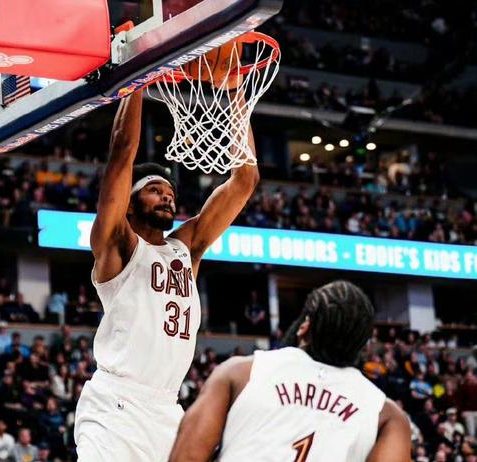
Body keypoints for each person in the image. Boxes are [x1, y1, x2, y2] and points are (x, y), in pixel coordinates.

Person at [75, 87, 260, 461]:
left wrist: (236, 93)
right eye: (154, 190)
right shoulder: (116, 244)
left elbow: (245, 180)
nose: (167, 196)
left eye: (170, 192)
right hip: (116, 404)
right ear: (129, 204)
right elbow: (122, 153)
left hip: (167, 409)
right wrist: (136, 79)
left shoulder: (186, 248)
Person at [168, 281, 411, 462]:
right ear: (363, 345)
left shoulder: (240, 372)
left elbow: (187, 457)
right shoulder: (386, 414)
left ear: (305, 326)